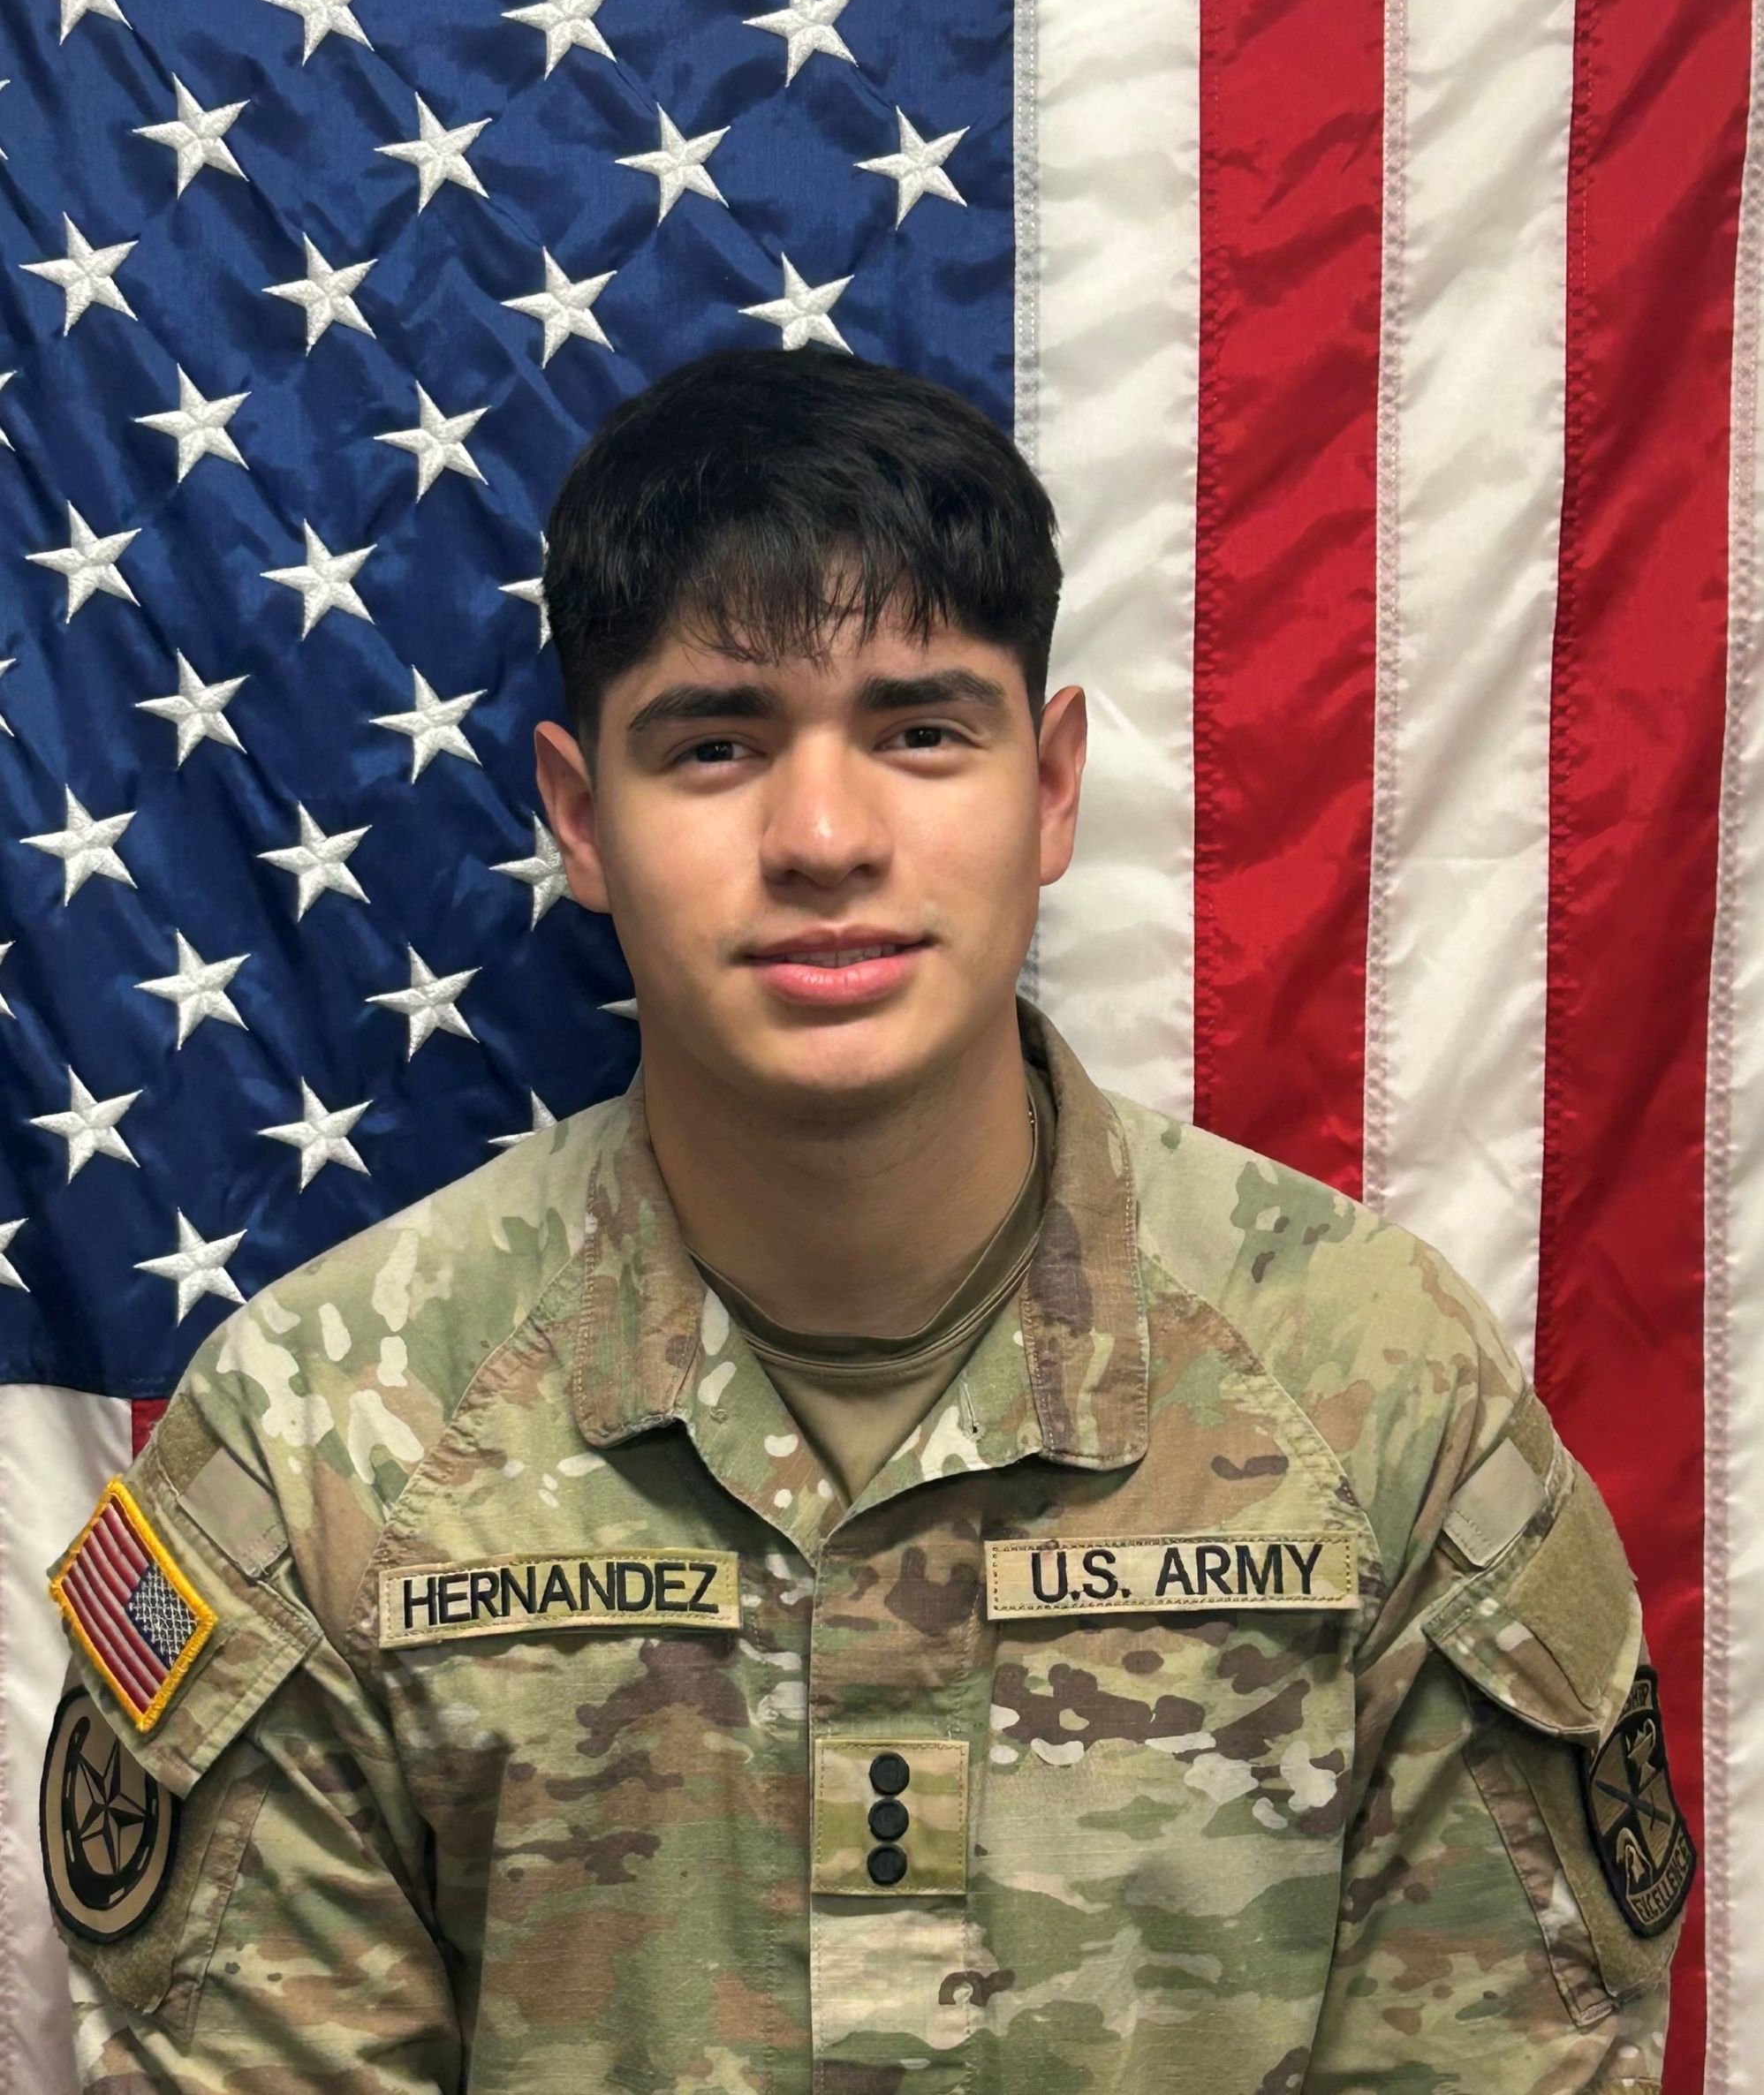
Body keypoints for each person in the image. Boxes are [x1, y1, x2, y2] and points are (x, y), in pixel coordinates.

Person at [40, 344, 1692, 2093]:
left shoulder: (1378, 1390)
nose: (823, 835)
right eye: (714, 744)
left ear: (1050, 789)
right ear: (581, 820)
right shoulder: (320, 1442)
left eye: (920, 731)